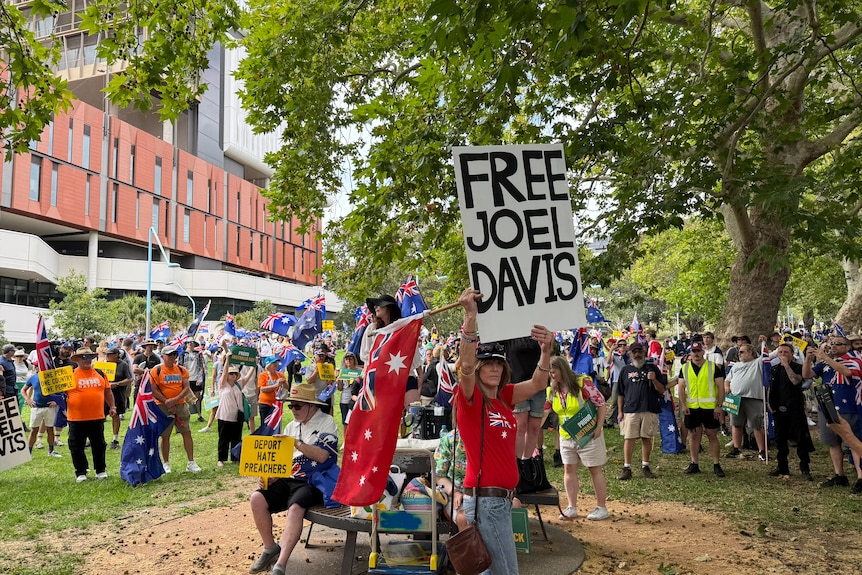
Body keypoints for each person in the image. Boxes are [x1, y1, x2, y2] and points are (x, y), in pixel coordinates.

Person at [454, 287, 552, 575]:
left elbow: (537, 385)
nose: (494, 368)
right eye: (489, 363)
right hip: (486, 501)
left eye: (499, 362)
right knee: (506, 572)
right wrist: (471, 318)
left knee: (491, 572)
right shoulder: (471, 400)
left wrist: (546, 352)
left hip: (501, 501)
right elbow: (467, 366)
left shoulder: (504, 397)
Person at [248, 384, 338, 575]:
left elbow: (323, 456)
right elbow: (282, 461)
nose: (293, 410)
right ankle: (270, 548)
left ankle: (281, 564)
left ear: (311, 406)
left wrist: (296, 442)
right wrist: (271, 476)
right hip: (289, 478)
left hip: (313, 480)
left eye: (297, 406)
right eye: (291, 406)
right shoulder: (291, 426)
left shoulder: (326, 422)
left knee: (296, 507)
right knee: (256, 498)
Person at [548, 356, 609, 520]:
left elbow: (601, 403)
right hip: (566, 435)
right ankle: (571, 507)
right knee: (569, 469)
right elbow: (545, 410)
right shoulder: (552, 390)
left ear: (562, 370)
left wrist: (599, 427)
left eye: (553, 372)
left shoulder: (582, 383)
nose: (551, 376)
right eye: (549, 373)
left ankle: (601, 507)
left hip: (588, 433)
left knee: (594, 468)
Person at [802, 334, 862, 491]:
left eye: (838, 344)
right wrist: (808, 359)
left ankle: (861, 477)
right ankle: (839, 475)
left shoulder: (854, 359)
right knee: (832, 442)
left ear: (848, 347)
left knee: (853, 443)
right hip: (827, 406)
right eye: (832, 343)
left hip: (848, 407)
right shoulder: (825, 363)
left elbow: (847, 373)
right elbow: (807, 375)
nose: (833, 346)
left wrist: (825, 358)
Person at [616, 341, 667, 480]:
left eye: (640, 352)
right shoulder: (625, 370)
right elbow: (620, 393)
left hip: (649, 408)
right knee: (629, 438)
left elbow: (662, 390)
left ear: (644, 353)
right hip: (630, 409)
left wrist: (655, 380)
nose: (637, 354)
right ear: (630, 354)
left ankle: (645, 466)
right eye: (634, 352)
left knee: (647, 437)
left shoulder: (652, 369)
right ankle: (627, 468)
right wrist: (620, 411)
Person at [677, 341, 727, 478]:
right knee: (694, 436)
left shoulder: (712, 367)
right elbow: (681, 387)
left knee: (712, 435)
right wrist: (683, 404)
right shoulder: (685, 368)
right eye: (694, 352)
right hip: (692, 408)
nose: (696, 354)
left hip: (710, 408)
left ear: (703, 352)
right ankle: (694, 463)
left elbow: (721, 388)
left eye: (699, 351)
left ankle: (716, 464)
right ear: (690, 353)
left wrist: (719, 406)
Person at [149, 345, 201, 474]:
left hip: (181, 405)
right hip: (162, 406)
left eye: (174, 354)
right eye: (170, 355)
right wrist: (167, 401)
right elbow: (154, 390)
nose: (173, 357)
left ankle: (191, 462)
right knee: (165, 435)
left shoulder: (182, 370)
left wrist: (175, 399)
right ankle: (166, 463)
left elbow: (186, 387)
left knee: (186, 432)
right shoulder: (156, 371)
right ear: (163, 357)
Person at [67, 347, 116, 482]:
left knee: (99, 445)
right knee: (76, 446)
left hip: (97, 417)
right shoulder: (69, 375)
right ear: (77, 360)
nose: (87, 360)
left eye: (89, 357)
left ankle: (100, 470)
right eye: (84, 357)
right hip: (76, 418)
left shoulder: (100, 373)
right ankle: (81, 472)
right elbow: (59, 393)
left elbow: (108, 391)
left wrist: (112, 406)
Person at [768, 343, 814, 480]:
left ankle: (805, 468)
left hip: (795, 408)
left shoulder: (798, 367)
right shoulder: (774, 369)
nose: (782, 354)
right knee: (780, 439)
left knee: (801, 439)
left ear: (792, 354)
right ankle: (782, 467)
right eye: (780, 352)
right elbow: (770, 388)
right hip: (778, 409)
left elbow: (795, 381)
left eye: (786, 352)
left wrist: (786, 366)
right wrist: (770, 404)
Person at [724, 343, 767, 460]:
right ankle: (737, 449)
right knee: (736, 424)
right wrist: (727, 386)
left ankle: (762, 451)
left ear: (750, 353)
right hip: (736, 398)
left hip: (753, 397)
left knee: (756, 425)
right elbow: (727, 379)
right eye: (739, 352)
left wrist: (763, 343)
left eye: (742, 352)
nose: (739, 354)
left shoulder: (757, 363)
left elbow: (768, 355)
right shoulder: (736, 366)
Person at [216, 358, 255, 466]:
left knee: (236, 438)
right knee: (223, 438)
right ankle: (221, 459)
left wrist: (253, 365)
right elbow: (224, 373)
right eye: (231, 373)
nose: (233, 375)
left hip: (238, 416)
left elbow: (247, 377)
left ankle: (235, 457)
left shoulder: (239, 384)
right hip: (224, 416)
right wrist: (227, 359)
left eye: (235, 374)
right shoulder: (223, 385)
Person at [434, 415, 468, 529]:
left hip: (486, 495)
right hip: (456, 495)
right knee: (464, 517)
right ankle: (469, 547)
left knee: (516, 505)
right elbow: (439, 476)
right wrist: (455, 493)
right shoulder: (449, 440)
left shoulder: (490, 437)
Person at [22, 372, 62, 457]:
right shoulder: (33, 377)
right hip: (37, 407)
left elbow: (60, 390)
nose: (37, 367)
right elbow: (23, 390)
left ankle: (51, 451)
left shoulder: (52, 376)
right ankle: (29, 452)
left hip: (50, 407)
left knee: (50, 429)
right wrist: (28, 399)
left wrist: (56, 401)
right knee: (34, 430)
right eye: (36, 366)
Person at [106, 345, 133, 449]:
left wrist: (116, 384)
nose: (107, 357)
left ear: (116, 355)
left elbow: (129, 379)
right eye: (107, 355)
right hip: (105, 393)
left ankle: (115, 439)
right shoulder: (105, 365)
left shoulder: (123, 365)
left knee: (115, 415)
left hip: (117, 394)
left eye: (110, 355)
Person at [180, 340, 207, 422]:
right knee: (186, 398)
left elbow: (201, 366)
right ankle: (186, 416)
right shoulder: (183, 354)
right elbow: (180, 367)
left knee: (197, 398)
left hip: (196, 378)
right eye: (188, 343)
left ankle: (199, 415)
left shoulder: (198, 354)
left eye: (191, 343)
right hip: (187, 378)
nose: (190, 345)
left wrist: (200, 378)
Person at [305, 346, 334, 415]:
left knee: (326, 415)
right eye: (319, 356)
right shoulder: (310, 367)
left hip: (326, 396)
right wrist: (316, 372)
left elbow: (331, 382)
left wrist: (330, 380)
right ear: (315, 357)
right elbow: (309, 381)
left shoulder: (328, 366)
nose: (321, 358)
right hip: (315, 396)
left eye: (323, 356)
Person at [258, 356, 286, 422]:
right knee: (265, 424)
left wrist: (284, 382)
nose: (276, 364)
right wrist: (276, 385)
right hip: (265, 404)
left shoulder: (280, 375)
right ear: (268, 365)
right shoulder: (263, 375)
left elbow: (286, 388)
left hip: (277, 404)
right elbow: (263, 389)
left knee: (275, 425)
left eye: (276, 362)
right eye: (273, 363)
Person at [337, 351, 360, 425]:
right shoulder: (342, 372)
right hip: (345, 399)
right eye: (347, 359)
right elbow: (340, 389)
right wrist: (338, 381)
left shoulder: (360, 371)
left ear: (354, 360)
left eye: (351, 359)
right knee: (345, 422)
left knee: (356, 422)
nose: (349, 361)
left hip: (357, 399)